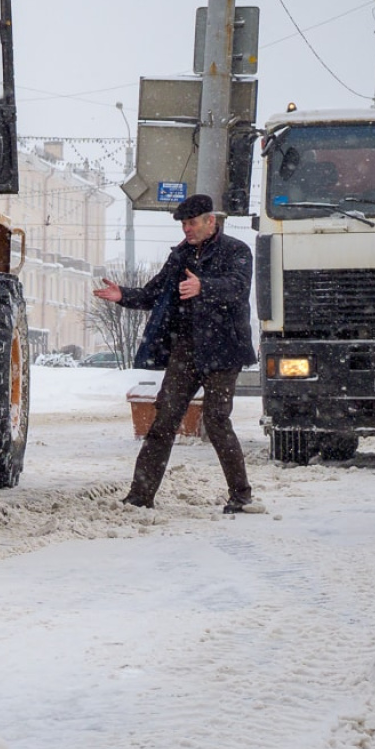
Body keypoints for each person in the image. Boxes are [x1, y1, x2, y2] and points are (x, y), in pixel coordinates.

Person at [92, 194, 261, 514]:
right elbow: (152, 293)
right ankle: (140, 497)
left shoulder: (237, 251)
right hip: (186, 351)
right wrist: (122, 295)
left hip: (224, 350)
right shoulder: (180, 257)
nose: (187, 229)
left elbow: (237, 287)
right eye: (184, 223)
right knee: (164, 420)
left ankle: (241, 495)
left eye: (192, 222)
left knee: (216, 421)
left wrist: (204, 286)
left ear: (211, 221)